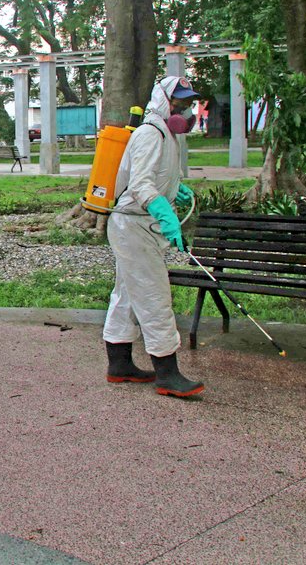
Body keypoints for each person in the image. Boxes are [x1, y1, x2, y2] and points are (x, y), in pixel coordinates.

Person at [102, 75, 203, 399]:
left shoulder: (168, 135)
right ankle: (167, 374)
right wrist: (166, 214)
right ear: (163, 102)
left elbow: (155, 178)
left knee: (127, 295)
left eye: (188, 104)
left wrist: (176, 191)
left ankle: (119, 366)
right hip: (134, 226)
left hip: (136, 225)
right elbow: (141, 185)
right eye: (179, 103)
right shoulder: (150, 133)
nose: (185, 110)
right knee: (154, 296)